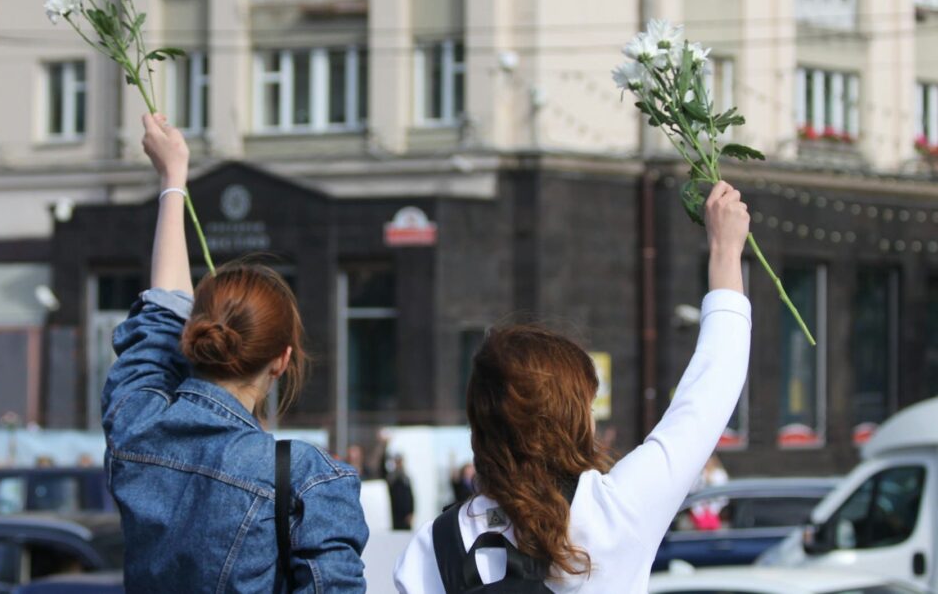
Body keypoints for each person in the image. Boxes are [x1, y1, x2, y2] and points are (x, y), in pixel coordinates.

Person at [394, 181, 752, 593]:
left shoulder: (433, 545)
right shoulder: (615, 510)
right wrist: (726, 251)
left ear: (480, 421)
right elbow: (711, 388)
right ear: (573, 419)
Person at [103, 114, 368, 593]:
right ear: (282, 361)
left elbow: (160, 316)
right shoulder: (305, 478)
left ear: (192, 340)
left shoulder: (137, 427)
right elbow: (165, 316)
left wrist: (173, 180)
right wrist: (172, 179)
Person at [387, 455, 415, 530]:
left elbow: (410, 497)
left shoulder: (406, 478)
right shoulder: (391, 478)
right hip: (394, 515)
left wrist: (411, 513)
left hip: (405, 516)